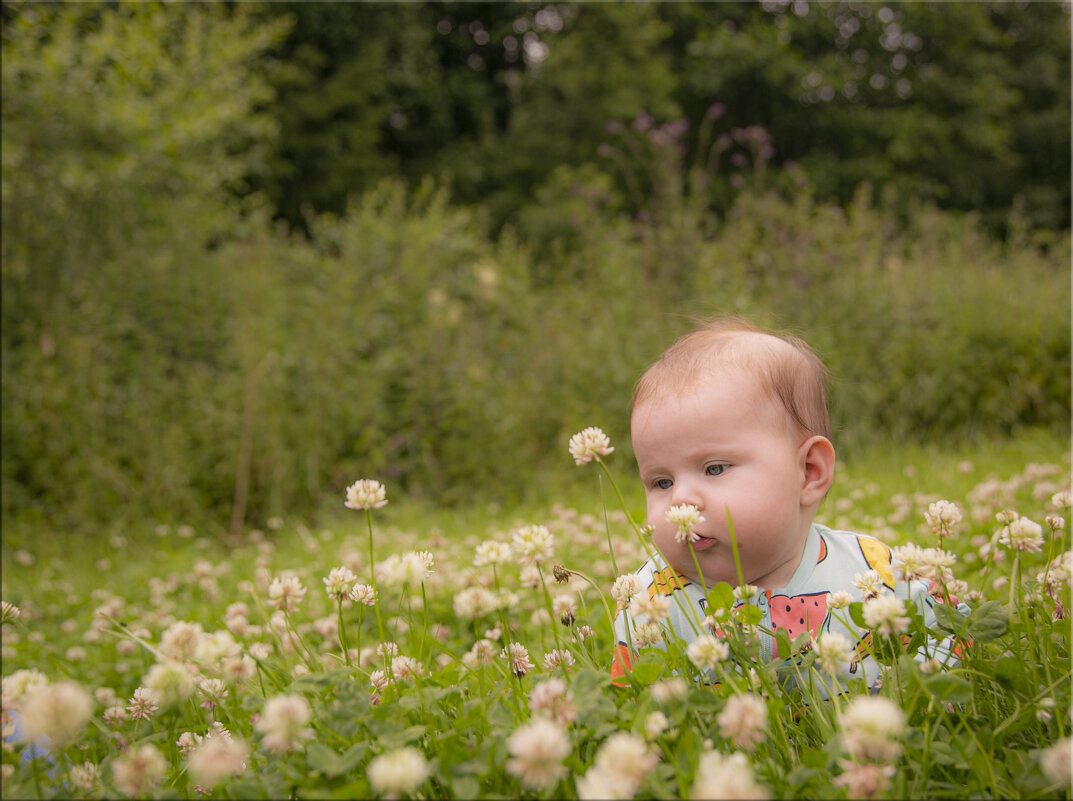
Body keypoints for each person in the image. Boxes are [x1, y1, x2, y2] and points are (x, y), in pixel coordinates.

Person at [610, 317, 969, 694]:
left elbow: (955, 629)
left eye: (714, 469)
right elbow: (632, 701)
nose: (680, 501)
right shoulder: (649, 600)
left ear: (809, 472)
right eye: (661, 482)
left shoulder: (872, 574)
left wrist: (932, 695)